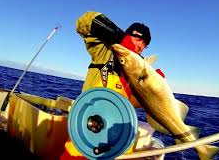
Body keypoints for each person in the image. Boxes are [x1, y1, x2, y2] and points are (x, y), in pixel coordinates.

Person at [60, 11, 165, 159]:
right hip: (87, 130)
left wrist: (150, 89)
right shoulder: (105, 50)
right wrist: (119, 38)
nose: (141, 46)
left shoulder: (138, 71)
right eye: (138, 39)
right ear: (128, 35)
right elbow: (83, 22)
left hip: (119, 137)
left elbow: (132, 103)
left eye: (145, 44)